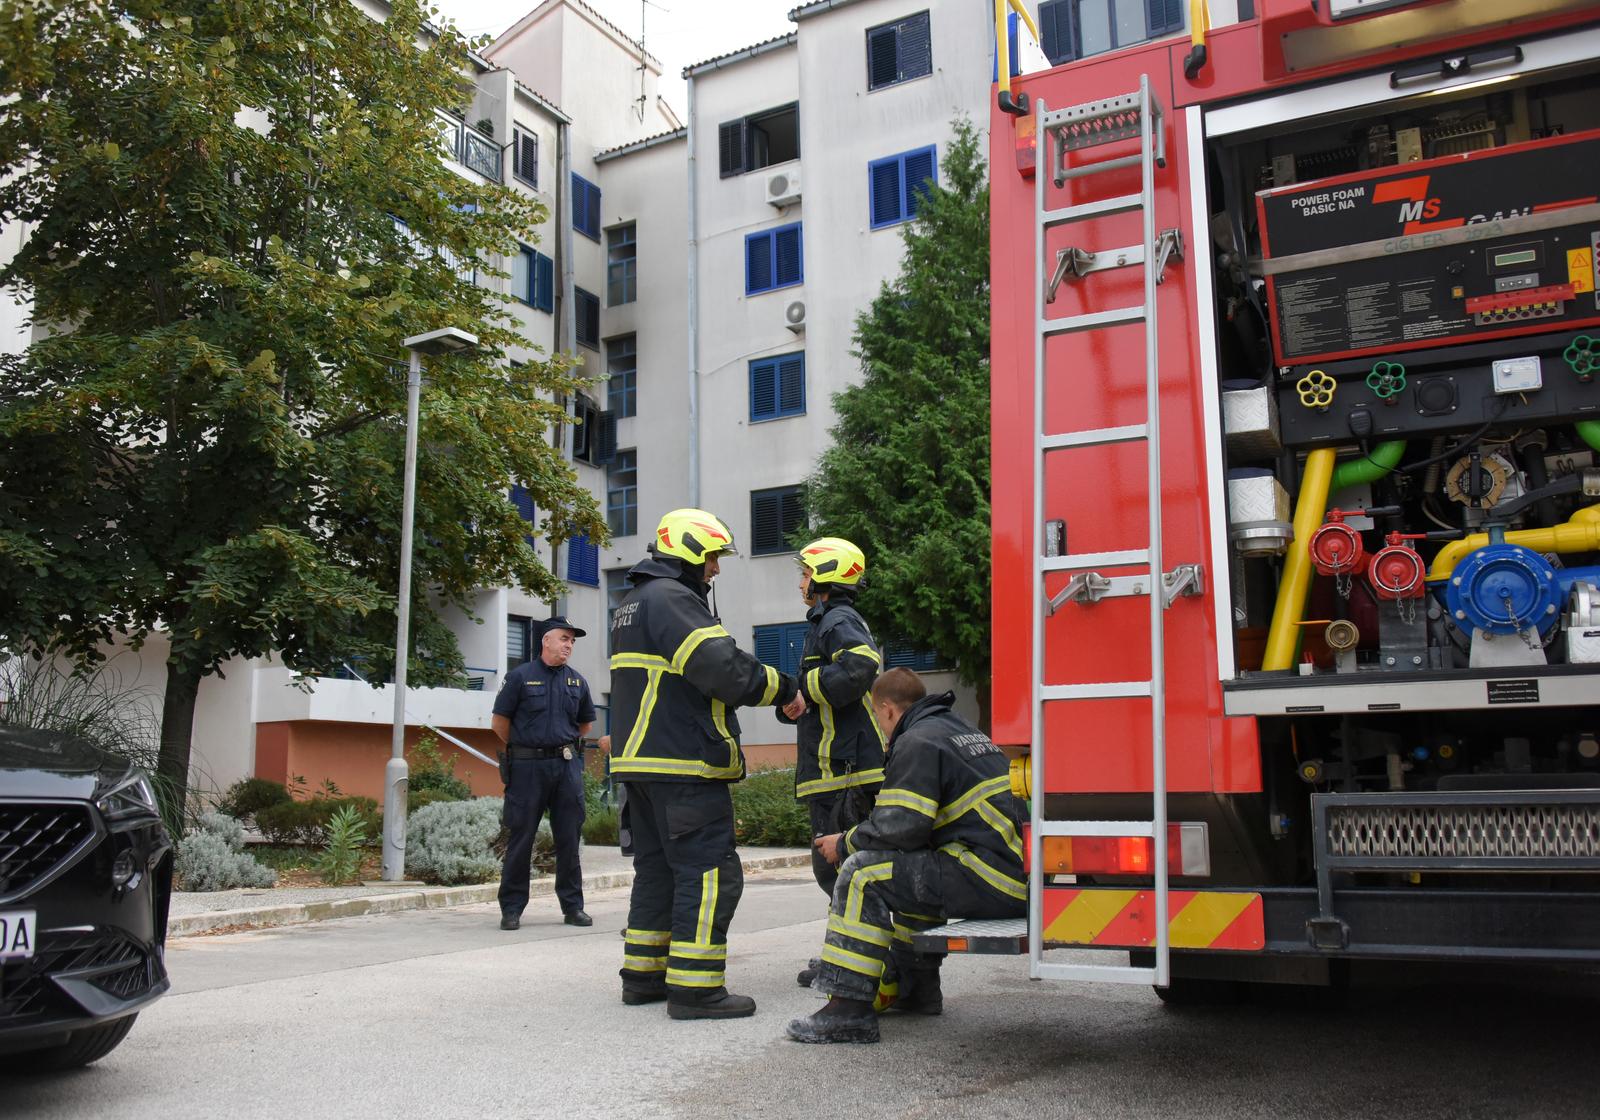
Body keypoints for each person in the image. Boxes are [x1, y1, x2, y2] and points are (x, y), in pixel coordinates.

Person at [609, 508, 803, 1020]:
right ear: (689, 552)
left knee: (657, 873)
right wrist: (786, 688)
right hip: (683, 763)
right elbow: (724, 669)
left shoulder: (634, 601)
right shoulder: (672, 599)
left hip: (643, 766)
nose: (715, 568)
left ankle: (644, 976)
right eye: (713, 557)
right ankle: (696, 990)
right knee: (710, 873)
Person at [787, 668, 1026, 1044]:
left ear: (886, 709)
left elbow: (900, 826)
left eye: (877, 716)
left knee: (861, 874)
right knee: (912, 868)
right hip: (1013, 874)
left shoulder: (917, 741)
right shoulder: (960, 731)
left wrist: (844, 843)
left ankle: (848, 1009)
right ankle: (917, 989)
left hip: (988, 875)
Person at [781, 537, 887, 988]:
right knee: (840, 871)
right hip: (834, 769)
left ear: (826, 575)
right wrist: (793, 700)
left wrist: (804, 690)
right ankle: (851, 956)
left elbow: (862, 665)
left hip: (844, 771)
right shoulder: (826, 622)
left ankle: (854, 961)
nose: (801, 583)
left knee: (842, 870)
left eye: (806, 573)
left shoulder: (837, 620)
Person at [491, 615, 596, 931]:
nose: (569, 645)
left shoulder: (577, 682)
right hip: (528, 768)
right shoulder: (520, 677)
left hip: (565, 766)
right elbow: (499, 723)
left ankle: (573, 907)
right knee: (521, 838)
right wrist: (527, 747)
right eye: (564, 638)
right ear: (546, 640)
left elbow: (585, 725)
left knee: (569, 839)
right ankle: (511, 909)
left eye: (572, 641)